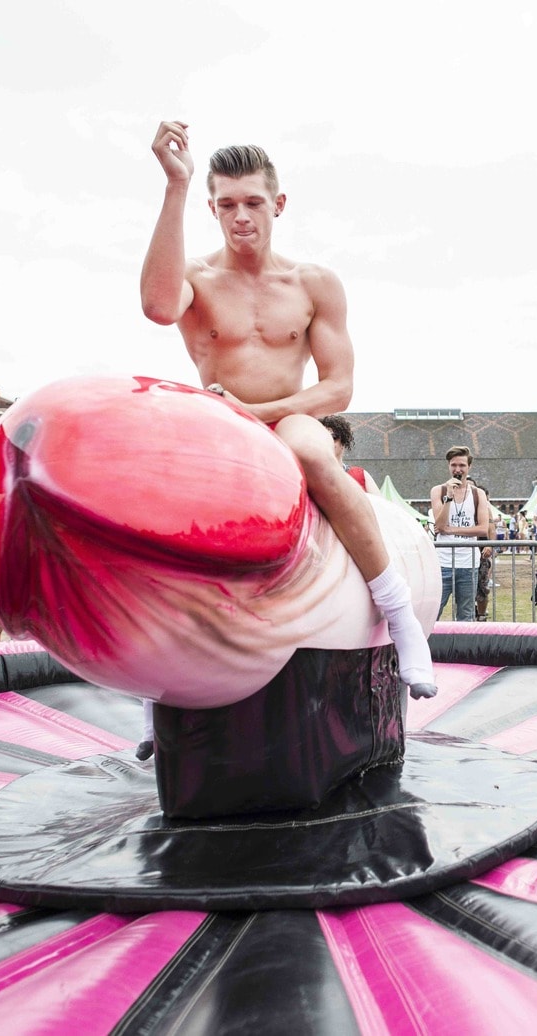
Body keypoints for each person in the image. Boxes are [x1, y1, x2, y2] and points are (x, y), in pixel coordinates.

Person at [140, 127, 436, 701]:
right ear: (212, 209)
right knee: (168, 509)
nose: (240, 216)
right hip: (220, 425)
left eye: (253, 202)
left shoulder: (313, 282)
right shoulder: (197, 279)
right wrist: (176, 184)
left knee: (307, 448)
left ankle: (399, 617)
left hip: (284, 415)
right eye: (226, 205)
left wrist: (259, 410)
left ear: (278, 204)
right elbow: (155, 307)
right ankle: (159, 688)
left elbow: (339, 388)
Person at [429, 446, 491, 621]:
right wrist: (448, 497)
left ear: (469, 467)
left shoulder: (478, 494)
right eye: (454, 465)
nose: (458, 469)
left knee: (466, 614)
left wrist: (450, 529)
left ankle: (463, 649)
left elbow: (482, 528)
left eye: (462, 465)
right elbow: (440, 525)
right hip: (443, 562)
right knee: (434, 611)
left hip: (468, 563)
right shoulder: (438, 491)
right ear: (448, 466)